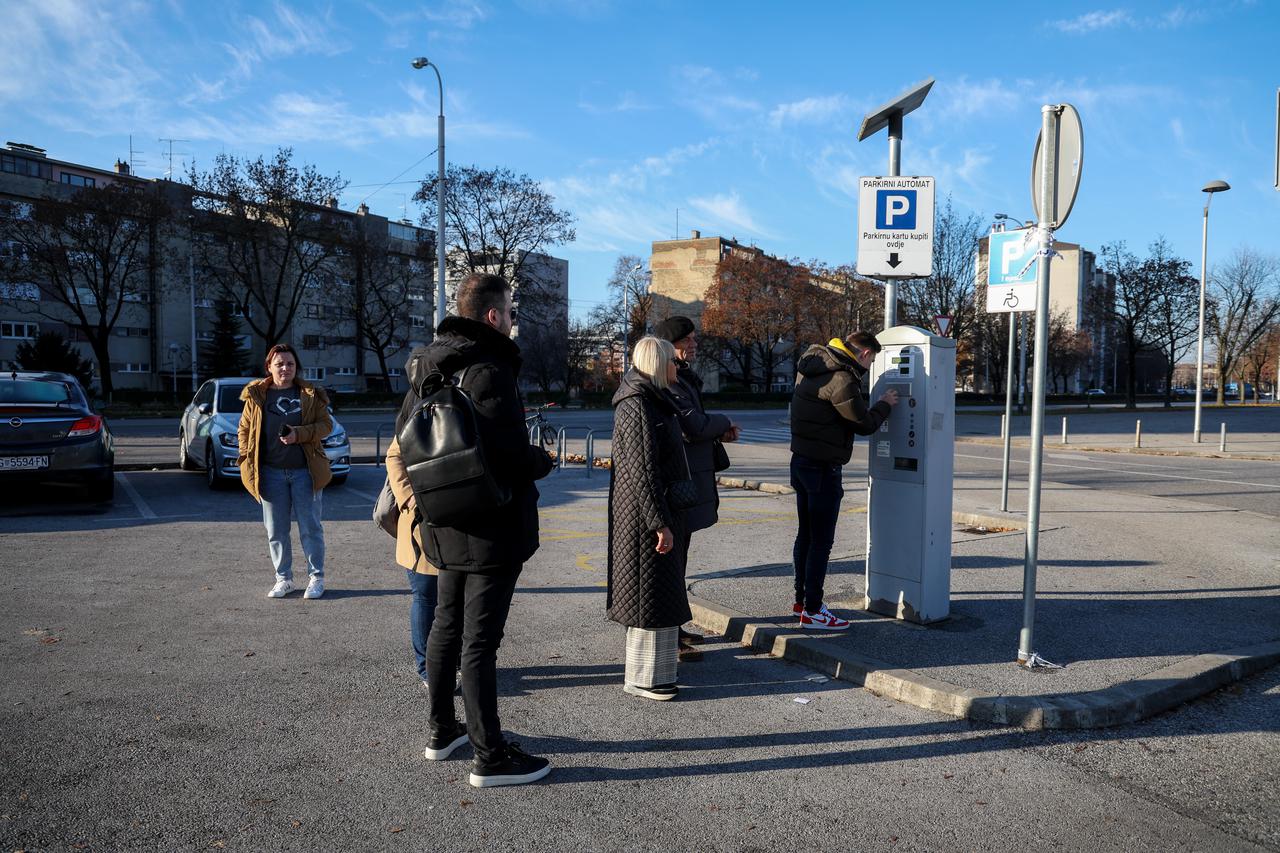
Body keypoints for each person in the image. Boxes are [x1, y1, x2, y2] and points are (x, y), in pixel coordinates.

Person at [412, 273, 555, 788]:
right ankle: (489, 756)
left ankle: (441, 730)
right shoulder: (489, 369)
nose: (513, 319)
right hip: (490, 524)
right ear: (493, 316)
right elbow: (510, 454)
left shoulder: (430, 363)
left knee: (446, 624)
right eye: (510, 311)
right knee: (479, 641)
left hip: (445, 515)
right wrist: (542, 459)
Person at [788, 331, 898, 629]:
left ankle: (801, 601)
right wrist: (886, 403)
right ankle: (813, 610)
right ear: (864, 354)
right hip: (823, 468)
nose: (870, 366)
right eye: (872, 360)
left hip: (801, 462)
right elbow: (863, 422)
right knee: (820, 542)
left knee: (807, 536)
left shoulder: (812, 365)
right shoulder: (843, 378)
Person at [607, 336, 693, 701]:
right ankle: (642, 678)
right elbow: (643, 470)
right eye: (673, 362)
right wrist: (659, 523)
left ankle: (655, 674)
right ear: (658, 364)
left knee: (657, 596)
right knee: (647, 596)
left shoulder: (652, 399)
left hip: (649, 511)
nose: (678, 366)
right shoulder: (638, 404)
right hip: (645, 518)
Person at [653, 316, 739, 662]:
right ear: (670, 345)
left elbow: (698, 425)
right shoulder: (669, 381)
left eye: (693, 338)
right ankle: (668, 635)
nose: (694, 343)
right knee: (671, 561)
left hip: (691, 477)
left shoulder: (684, 378)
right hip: (680, 481)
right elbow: (691, 425)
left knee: (680, 558)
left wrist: (716, 430)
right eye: (687, 339)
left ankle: (676, 625)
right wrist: (723, 424)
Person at [237, 343, 333, 599]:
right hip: (270, 473)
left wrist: (298, 435)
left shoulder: (311, 394)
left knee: (310, 527)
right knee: (276, 530)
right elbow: (244, 430)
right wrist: (245, 457)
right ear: (269, 367)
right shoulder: (256, 395)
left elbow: (326, 426)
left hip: (305, 472)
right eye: (279, 363)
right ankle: (284, 579)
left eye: (290, 363)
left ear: (296, 367)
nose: (285, 368)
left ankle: (316, 578)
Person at [385, 358, 438, 686]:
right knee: (424, 596)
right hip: (420, 522)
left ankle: (447, 660)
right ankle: (425, 668)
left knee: (450, 602)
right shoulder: (416, 406)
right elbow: (394, 456)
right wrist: (412, 501)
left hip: (453, 521)